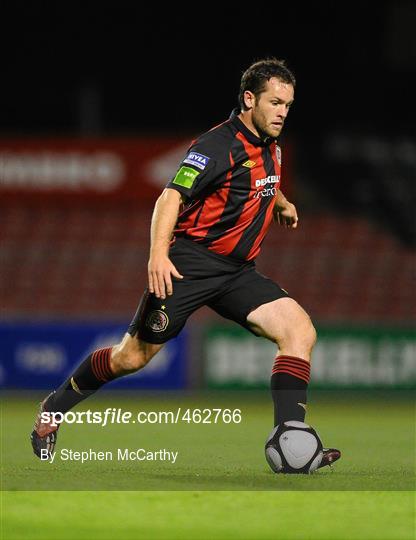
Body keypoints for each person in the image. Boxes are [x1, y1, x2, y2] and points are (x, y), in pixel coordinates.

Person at [31, 57, 340, 470]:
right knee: (132, 358)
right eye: (274, 102)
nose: (282, 111)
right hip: (189, 265)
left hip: (236, 273)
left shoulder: (272, 146)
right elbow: (169, 198)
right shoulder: (216, 145)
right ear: (249, 99)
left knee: (300, 331)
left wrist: (281, 202)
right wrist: (158, 254)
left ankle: (291, 439)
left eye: (288, 104)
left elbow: (260, 182)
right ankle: (54, 408)